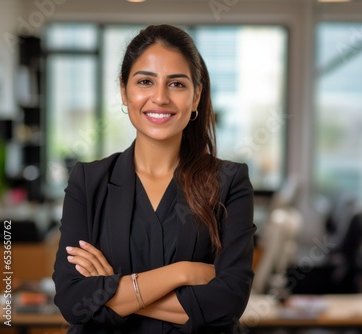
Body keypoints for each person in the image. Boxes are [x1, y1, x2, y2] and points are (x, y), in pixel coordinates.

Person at [52, 24, 256, 334]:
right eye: (145, 81)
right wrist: (183, 272)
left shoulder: (230, 181)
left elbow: (229, 301)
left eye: (176, 84)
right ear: (124, 91)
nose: (159, 98)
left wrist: (111, 294)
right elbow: (72, 301)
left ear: (196, 95)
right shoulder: (88, 181)